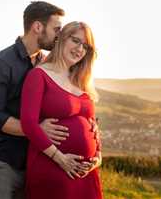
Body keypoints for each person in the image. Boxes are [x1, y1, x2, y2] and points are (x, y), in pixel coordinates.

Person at [0, 1, 75, 199]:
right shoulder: (1, 64)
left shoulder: (47, 65)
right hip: (4, 164)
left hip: (36, 163)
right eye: (56, 29)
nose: (60, 35)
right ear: (37, 27)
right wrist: (35, 129)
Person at [20, 21, 103, 199]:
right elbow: (28, 124)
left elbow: (93, 126)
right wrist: (61, 159)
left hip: (85, 175)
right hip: (53, 168)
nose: (80, 49)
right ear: (61, 39)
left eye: (86, 46)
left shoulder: (81, 81)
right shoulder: (39, 75)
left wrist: (98, 157)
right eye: (76, 41)